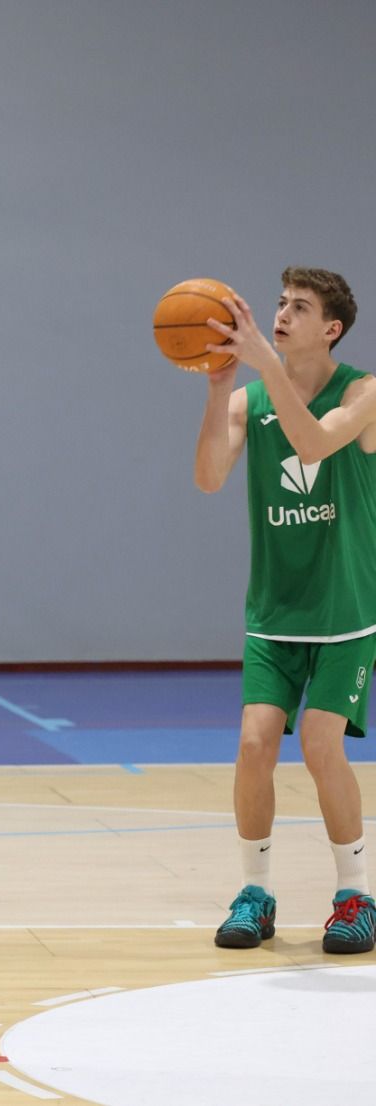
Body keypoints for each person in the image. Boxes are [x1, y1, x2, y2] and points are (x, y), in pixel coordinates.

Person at [194, 266, 376, 954]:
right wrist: (218, 393)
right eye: (279, 303)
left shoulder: (363, 392)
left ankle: (356, 895)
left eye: (299, 307)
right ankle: (255, 893)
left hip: (347, 609)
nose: (281, 314)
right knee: (252, 743)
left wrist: (262, 366)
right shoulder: (251, 399)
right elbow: (209, 478)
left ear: (330, 329)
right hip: (275, 611)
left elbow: (313, 443)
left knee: (321, 742)